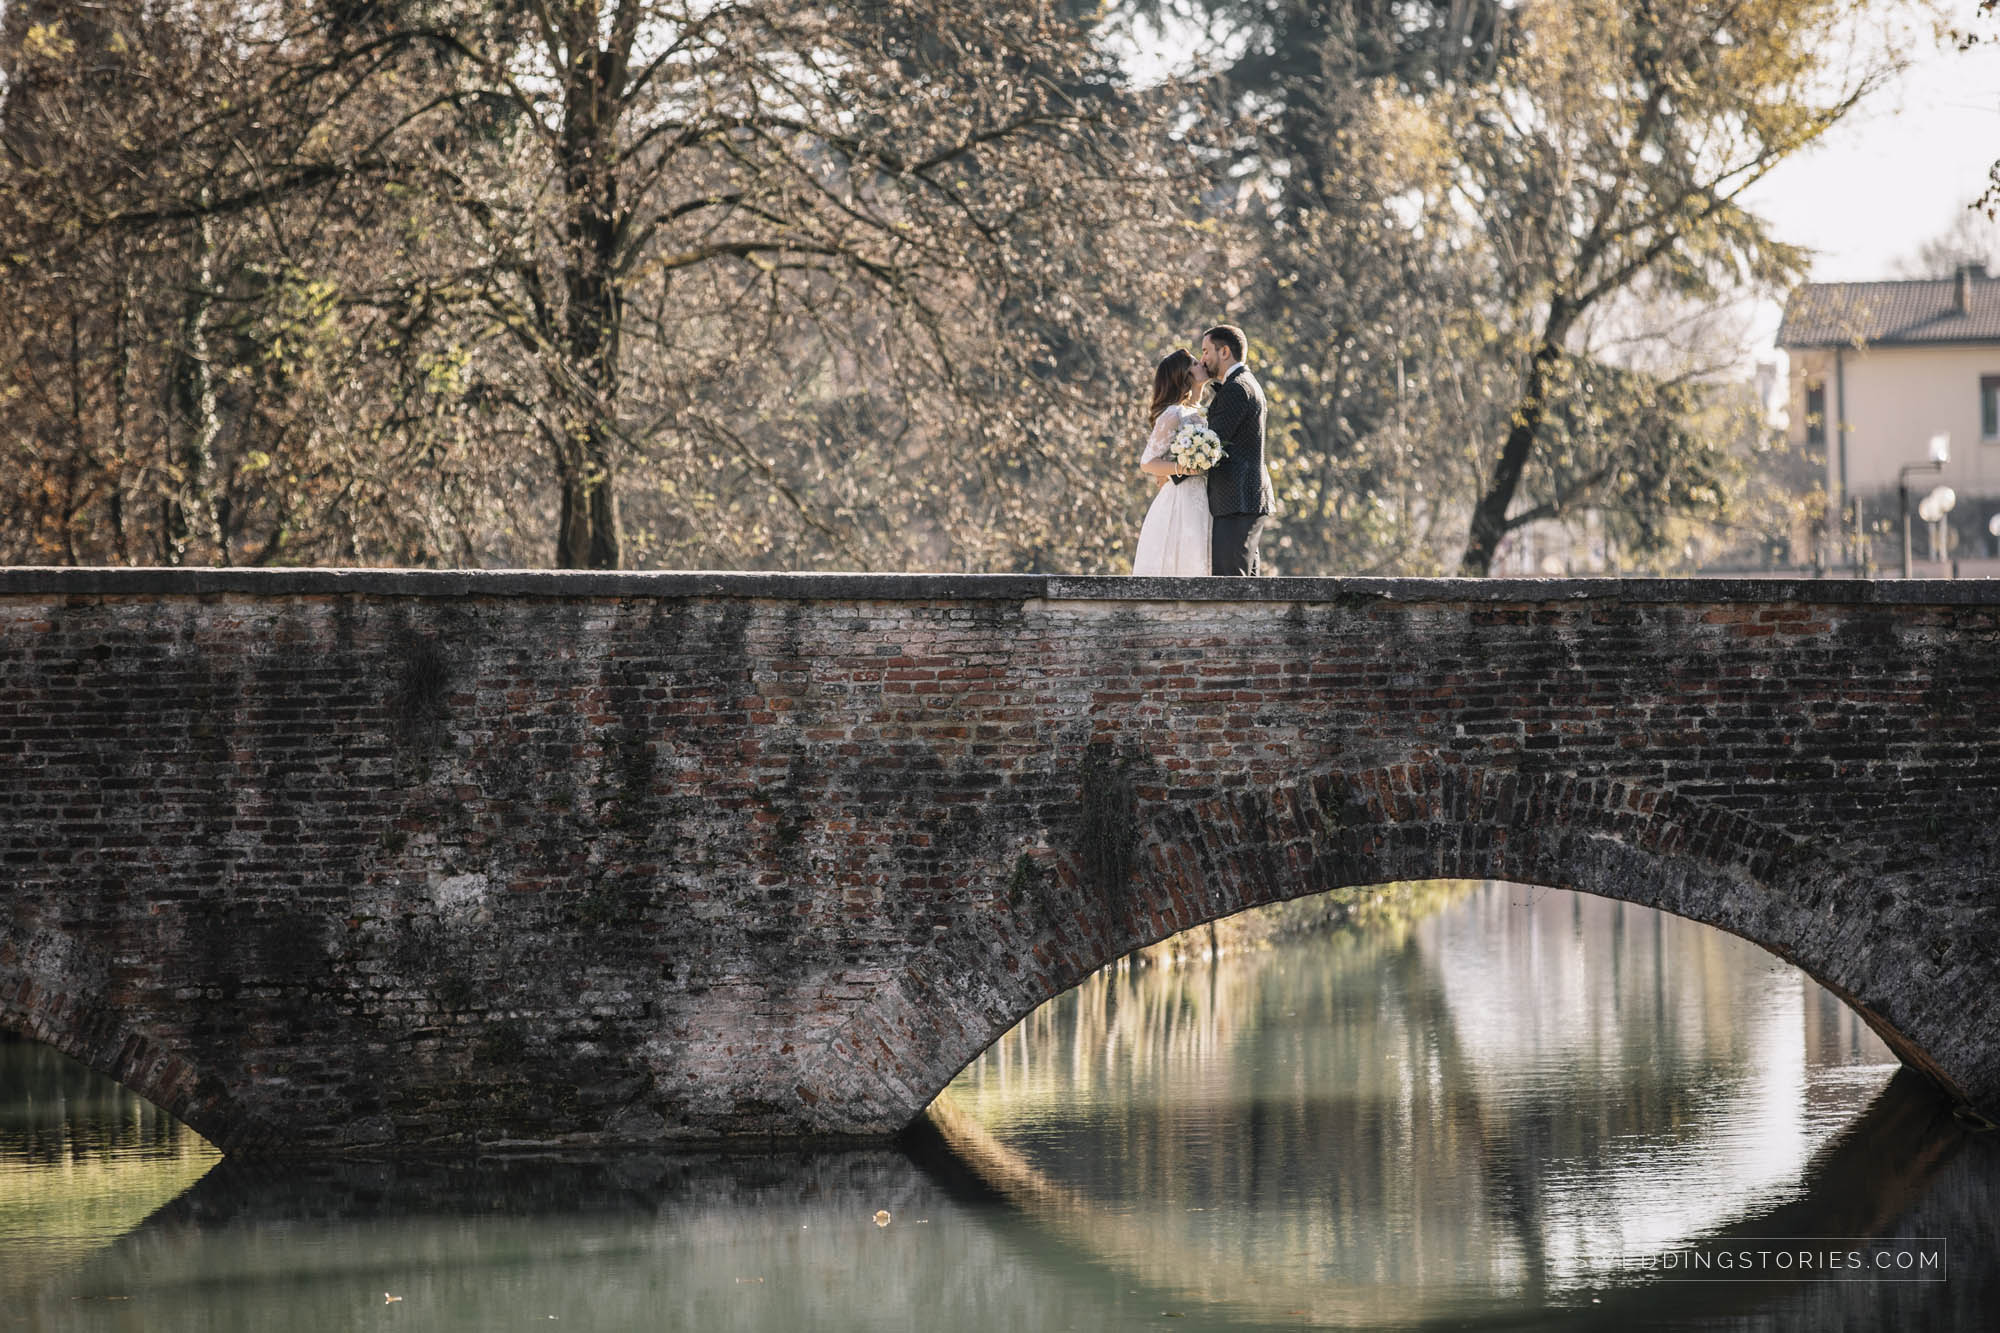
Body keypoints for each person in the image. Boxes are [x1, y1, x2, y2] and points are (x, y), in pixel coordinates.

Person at [1197, 324, 1275, 576]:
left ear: (1225, 352)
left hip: (1237, 499)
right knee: (1244, 582)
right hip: (1242, 499)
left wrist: (1177, 469)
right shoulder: (1245, 383)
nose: (1203, 358)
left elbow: (1212, 444)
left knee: (1230, 581)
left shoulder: (1237, 388)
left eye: (1207, 351)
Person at [1130, 348, 1212, 577]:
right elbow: (1148, 462)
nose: (1202, 364)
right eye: (1195, 363)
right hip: (1182, 498)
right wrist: (1182, 467)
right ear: (1184, 375)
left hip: (1206, 496)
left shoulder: (1204, 411)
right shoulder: (1174, 414)